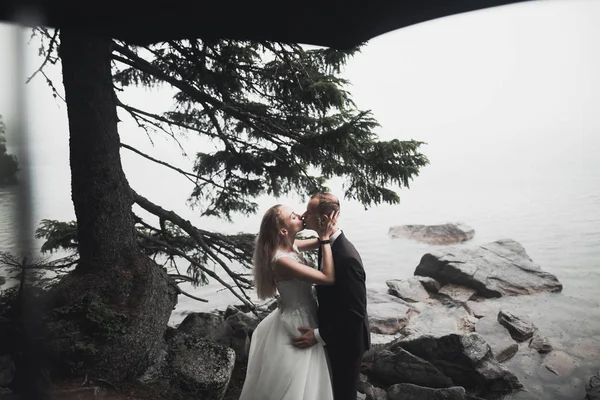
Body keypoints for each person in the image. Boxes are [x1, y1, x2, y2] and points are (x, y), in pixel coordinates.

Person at [239, 203, 338, 400]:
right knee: (301, 376)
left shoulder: (291, 245)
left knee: (309, 375)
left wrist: (322, 224)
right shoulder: (282, 260)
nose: (299, 215)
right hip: (298, 321)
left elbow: (317, 241)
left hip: (303, 311)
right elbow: (327, 277)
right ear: (284, 230)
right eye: (293, 216)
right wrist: (325, 239)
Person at [292, 193, 371, 400]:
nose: (303, 215)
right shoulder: (326, 244)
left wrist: (318, 335)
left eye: (308, 212)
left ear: (324, 219)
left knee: (343, 395)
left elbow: (355, 313)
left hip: (347, 342)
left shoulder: (346, 257)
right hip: (336, 337)